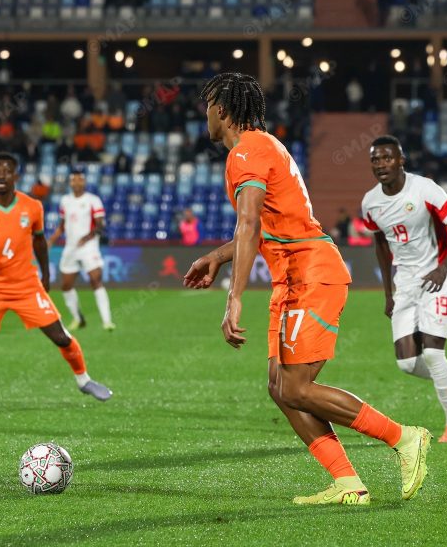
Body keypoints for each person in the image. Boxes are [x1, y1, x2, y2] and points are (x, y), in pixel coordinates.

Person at [184, 73, 432, 506]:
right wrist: (217, 256)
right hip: (292, 278)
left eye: (207, 105)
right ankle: (347, 482)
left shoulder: (247, 151)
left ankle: (404, 437)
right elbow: (264, 227)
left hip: (310, 275)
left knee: (296, 387)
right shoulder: (261, 147)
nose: (204, 113)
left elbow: (249, 224)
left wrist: (234, 297)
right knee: (280, 386)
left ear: (221, 110)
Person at [0, 153, 111, 408]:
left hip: (27, 286)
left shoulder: (32, 206)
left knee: (61, 336)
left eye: (6, 171)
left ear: (16, 176)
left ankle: (84, 380)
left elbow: (39, 241)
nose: (1, 175)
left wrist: (45, 274)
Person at [361, 135, 447, 444]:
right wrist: (388, 293)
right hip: (406, 282)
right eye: (375, 159)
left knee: (433, 352)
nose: (381, 164)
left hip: (440, 275)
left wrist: (443, 268)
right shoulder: (370, 203)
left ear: (401, 161)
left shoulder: (424, 189)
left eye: (387, 158)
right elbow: (381, 246)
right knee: (407, 363)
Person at [48, 168, 115, 331]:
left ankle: (107, 321)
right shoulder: (65, 200)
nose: (76, 182)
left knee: (95, 279)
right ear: (70, 182)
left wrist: (87, 237)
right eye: (73, 180)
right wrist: (51, 240)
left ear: (84, 182)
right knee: (66, 285)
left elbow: (100, 225)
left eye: (79, 179)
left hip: (88, 247)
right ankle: (78, 319)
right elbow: (62, 225)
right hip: (71, 247)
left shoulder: (93, 200)